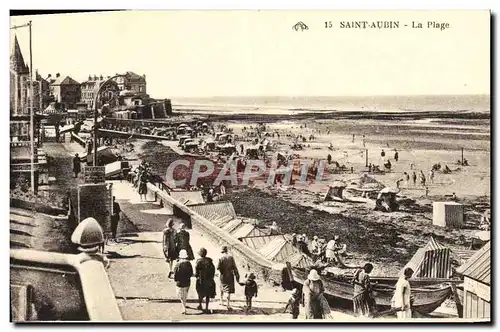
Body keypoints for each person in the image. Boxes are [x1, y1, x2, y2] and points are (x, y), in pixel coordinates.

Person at [217, 245, 240, 310]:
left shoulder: (220, 258)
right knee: (228, 290)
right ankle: (228, 304)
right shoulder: (231, 257)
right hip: (230, 275)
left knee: (222, 287)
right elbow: (235, 268)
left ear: (222, 251)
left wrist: (221, 271)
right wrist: (237, 277)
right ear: (227, 250)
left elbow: (218, 267)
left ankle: (221, 301)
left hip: (223, 275)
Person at [194, 247, 216, 313]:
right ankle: (206, 307)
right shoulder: (210, 261)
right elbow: (213, 270)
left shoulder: (198, 261)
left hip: (201, 280)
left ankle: (200, 305)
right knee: (207, 294)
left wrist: (197, 276)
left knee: (200, 292)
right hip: (209, 280)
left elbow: (196, 271)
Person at [173, 249, 193, 315]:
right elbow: (191, 273)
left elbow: (175, 274)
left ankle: (183, 307)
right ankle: (184, 304)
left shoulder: (177, 264)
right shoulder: (189, 263)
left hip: (180, 282)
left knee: (180, 294)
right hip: (187, 281)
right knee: (185, 294)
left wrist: (175, 280)